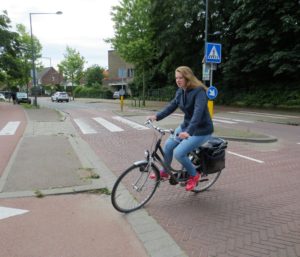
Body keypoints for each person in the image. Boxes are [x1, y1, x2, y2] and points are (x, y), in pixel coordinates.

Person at [148, 66, 214, 191]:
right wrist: (156, 116)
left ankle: (195, 175)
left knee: (179, 153)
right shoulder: (180, 91)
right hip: (186, 126)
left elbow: (198, 113)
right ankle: (165, 172)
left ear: (187, 78)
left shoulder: (199, 91)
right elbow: (171, 106)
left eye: (181, 78)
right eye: (176, 78)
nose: (178, 80)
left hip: (201, 130)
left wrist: (188, 132)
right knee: (168, 146)